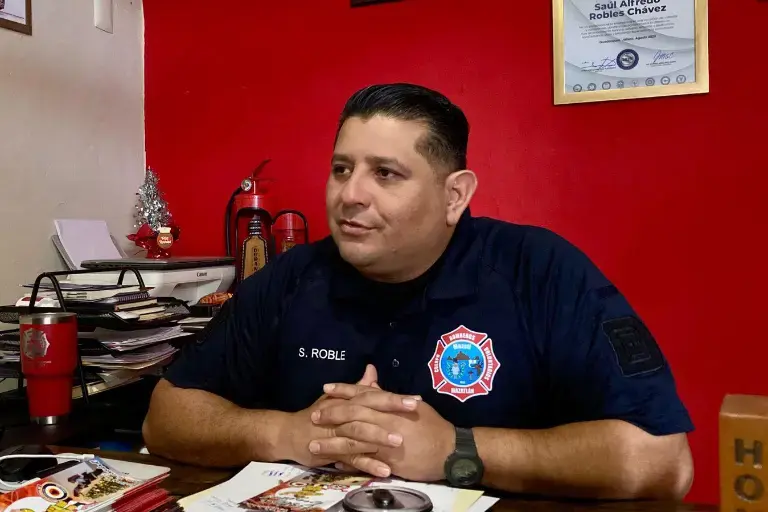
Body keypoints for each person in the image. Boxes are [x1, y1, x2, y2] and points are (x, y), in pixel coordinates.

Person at [142, 83, 694, 499]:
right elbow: (165, 419)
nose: (350, 194)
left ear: (455, 196)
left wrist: (456, 449)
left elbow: (663, 461)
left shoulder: (541, 270)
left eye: (385, 173)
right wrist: (286, 433)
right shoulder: (292, 277)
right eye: (342, 169)